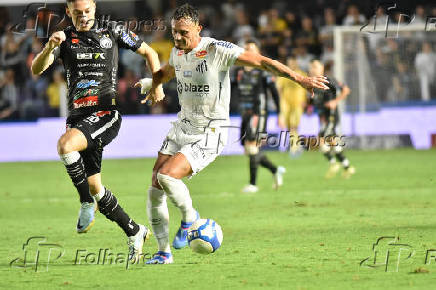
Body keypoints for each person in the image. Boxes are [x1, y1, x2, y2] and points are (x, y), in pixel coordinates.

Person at [137, 4, 329, 264]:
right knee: (154, 188)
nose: (178, 38)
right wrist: (154, 82)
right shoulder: (177, 52)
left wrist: (300, 78)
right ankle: (163, 253)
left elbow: (262, 62)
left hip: (211, 129)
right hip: (183, 125)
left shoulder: (217, 50)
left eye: (183, 32)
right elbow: (168, 71)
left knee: (167, 177)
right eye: (174, 32)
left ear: (198, 28)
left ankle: (190, 219)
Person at [31, 0, 164, 262]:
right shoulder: (64, 39)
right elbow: (36, 69)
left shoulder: (112, 31)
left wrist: (157, 84)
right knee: (95, 187)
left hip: (105, 114)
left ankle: (84, 204)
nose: (82, 16)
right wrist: (49, 47)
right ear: (68, 12)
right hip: (77, 119)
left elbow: (150, 52)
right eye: (77, 12)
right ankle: (134, 230)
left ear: (94, 7)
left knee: (65, 146)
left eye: (87, 11)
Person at [233, 39, 285, 193]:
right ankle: (275, 170)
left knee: (252, 147)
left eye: (252, 49)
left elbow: (274, 92)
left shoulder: (263, 71)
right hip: (245, 114)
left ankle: (253, 184)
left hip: (259, 113)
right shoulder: (238, 72)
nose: (249, 51)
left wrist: (280, 114)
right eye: (246, 49)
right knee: (249, 150)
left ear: (257, 53)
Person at [308, 60, 355, 178]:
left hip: (331, 117)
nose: (313, 69)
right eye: (311, 67)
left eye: (315, 67)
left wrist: (335, 101)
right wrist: (308, 106)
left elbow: (346, 90)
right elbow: (315, 100)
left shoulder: (329, 81)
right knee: (334, 143)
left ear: (322, 68)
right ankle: (348, 167)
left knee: (321, 139)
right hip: (323, 118)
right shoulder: (313, 84)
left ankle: (333, 164)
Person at [276, 56, 307, 156]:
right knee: (290, 127)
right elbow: (279, 89)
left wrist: (306, 101)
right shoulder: (284, 74)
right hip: (286, 104)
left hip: (298, 103)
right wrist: (281, 103)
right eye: (289, 62)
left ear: (296, 62)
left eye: (292, 62)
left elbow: (306, 88)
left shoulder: (301, 74)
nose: (291, 64)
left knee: (294, 125)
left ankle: (294, 149)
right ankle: (297, 145)